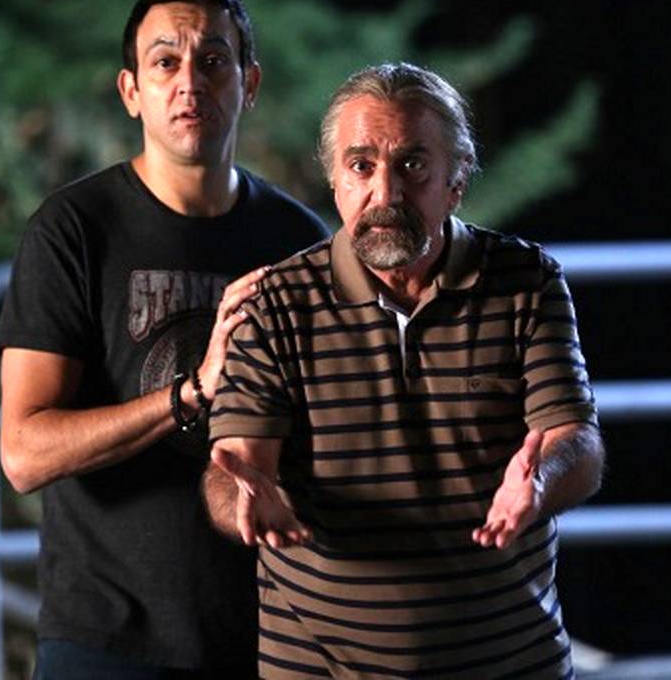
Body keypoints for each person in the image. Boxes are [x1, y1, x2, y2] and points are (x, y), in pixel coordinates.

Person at [206, 62, 605, 678]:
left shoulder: (527, 282)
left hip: (508, 664)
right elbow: (237, 466)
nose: (386, 193)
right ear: (335, 180)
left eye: (413, 165)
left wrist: (542, 480)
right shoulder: (275, 302)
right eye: (361, 166)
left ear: (456, 180)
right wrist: (247, 498)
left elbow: (575, 443)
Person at [0, 0, 329, 678]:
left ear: (249, 83)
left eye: (213, 61)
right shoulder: (74, 230)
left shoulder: (297, 239)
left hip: (268, 634)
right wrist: (192, 392)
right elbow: (24, 453)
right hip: (106, 640)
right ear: (131, 91)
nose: (189, 83)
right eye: (165, 61)